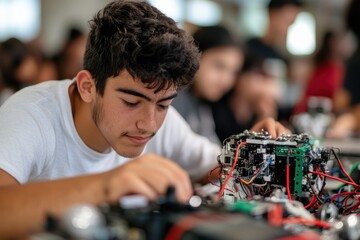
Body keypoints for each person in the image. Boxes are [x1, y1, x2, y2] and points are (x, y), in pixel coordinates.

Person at [0, 1, 287, 238]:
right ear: (88, 86)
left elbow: (220, 167)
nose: (149, 124)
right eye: (130, 102)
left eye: (163, 104)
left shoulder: (160, 118)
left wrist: (253, 150)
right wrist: (105, 185)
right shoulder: (32, 115)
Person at [172, 26, 243, 144]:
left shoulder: (205, 106)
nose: (226, 80)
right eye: (219, 66)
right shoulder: (171, 100)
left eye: (233, 72)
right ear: (194, 55)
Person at [213, 55, 280, 142]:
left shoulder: (266, 112)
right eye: (259, 75)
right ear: (239, 78)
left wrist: (265, 117)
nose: (266, 85)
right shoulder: (214, 109)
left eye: (268, 78)